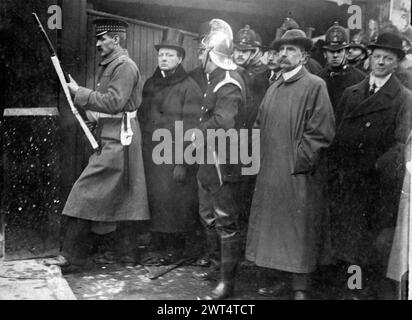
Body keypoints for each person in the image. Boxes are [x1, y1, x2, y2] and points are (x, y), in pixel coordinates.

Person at [245, 29, 335, 300]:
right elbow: (259, 124)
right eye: (281, 50)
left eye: (291, 50)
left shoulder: (315, 85)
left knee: (298, 231)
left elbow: (321, 132)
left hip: (298, 174)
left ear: (304, 56)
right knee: (273, 229)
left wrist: (298, 162)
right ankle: (278, 280)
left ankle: (300, 287)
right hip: (270, 172)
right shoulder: (274, 87)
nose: (284, 54)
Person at [328, 32, 412, 299]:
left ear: (397, 63)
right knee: (348, 236)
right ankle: (350, 288)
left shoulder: (404, 99)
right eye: (377, 57)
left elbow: (401, 144)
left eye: (388, 58)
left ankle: (361, 289)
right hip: (348, 178)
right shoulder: (351, 93)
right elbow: (337, 134)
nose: (381, 62)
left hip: (376, 183)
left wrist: (375, 168)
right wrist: (339, 168)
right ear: (369, 58)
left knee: (370, 239)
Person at [62, 18, 149, 271]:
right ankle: (126, 255)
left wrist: (80, 92)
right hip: (114, 136)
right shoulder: (114, 64)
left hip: (120, 138)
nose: (98, 43)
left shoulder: (124, 66)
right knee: (124, 195)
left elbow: (113, 103)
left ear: (117, 39)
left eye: (102, 38)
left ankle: (72, 256)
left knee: (85, 190)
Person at [191, 18, 246, 300]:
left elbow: (223, 123)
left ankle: (227, 284)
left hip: (224, 162)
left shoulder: (228, 82)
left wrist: (195, 133)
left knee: (225, 222)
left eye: (202, 52)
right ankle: (216, 269)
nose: (199, 57)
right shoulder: (215, 80)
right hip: (210, 160)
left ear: (212, 55)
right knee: (209, 216)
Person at [138, 28, 203, 265]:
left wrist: (182, 163)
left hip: (174, 157)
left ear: (180, 59)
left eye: (169, 55)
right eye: (161, 55)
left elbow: (191, 128)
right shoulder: (151, 84)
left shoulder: (190, 87)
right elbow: (143, 117)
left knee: (175, 206)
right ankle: (159, 246)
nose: (163, 59)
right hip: (151, 155)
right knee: (156, 202)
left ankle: (175, 250)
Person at [318, 22, 365, 113]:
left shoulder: (361, 79)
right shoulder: (317, 79)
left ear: (347, 52)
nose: (335, 55)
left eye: (339, 51)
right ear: (324, 53)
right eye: (331, 51)